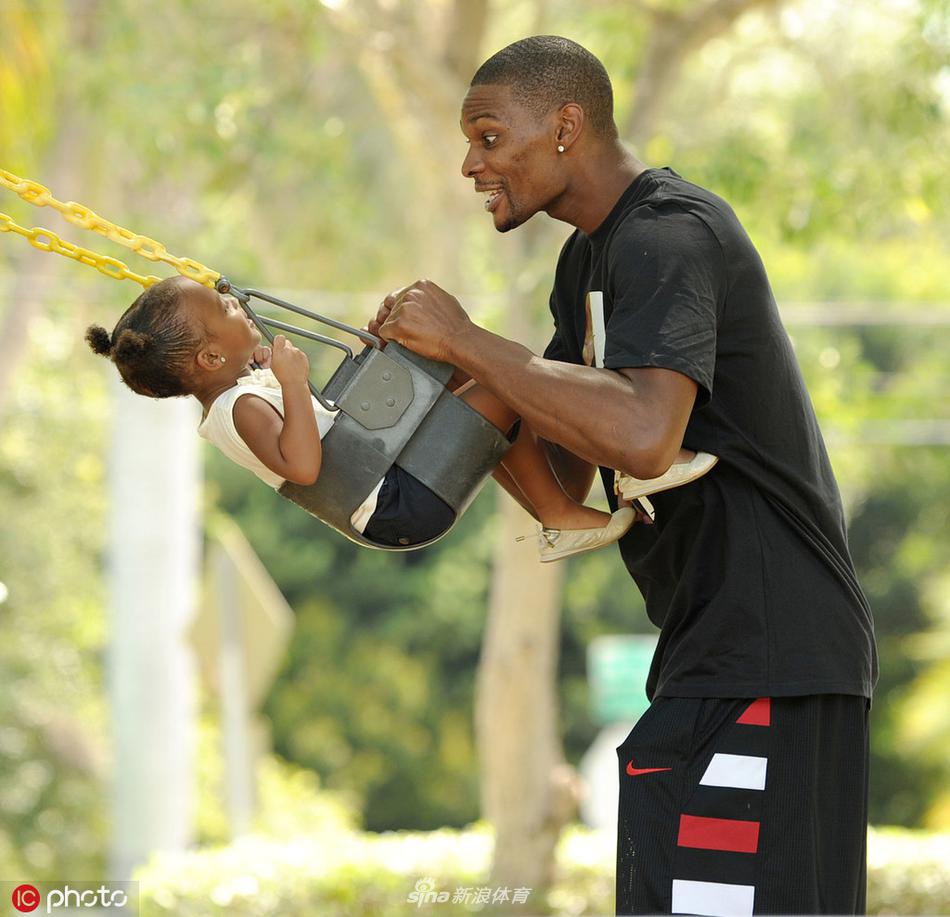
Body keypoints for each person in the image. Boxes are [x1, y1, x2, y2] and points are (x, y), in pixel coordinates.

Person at [370, 35, 877, 916]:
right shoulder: (590, 260)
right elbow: (560, 457)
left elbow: (643, 435)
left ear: (566, 125)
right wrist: (450, 381)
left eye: (489, 137)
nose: (469, 164)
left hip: (771, 653)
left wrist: (468, 341)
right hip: (714, 653)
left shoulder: (670, 234)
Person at [85, 274, 713, 558]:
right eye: (223, 308)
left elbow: (331, 434)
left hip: (387, 478)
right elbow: (304, 466)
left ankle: (558, 512)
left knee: (471, 375)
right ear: (210, 354)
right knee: (502, 379)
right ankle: (622, 466)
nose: (238, 303)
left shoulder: (241, 391)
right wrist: (296, 385)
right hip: (394, 503)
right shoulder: (241, 406)